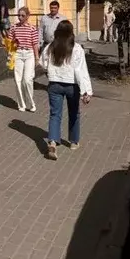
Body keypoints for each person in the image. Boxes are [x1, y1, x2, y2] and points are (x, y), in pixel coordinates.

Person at [39, 20, 92, 160]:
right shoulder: (76, 48)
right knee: (74, 113)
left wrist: (49, 71)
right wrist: (86, 91)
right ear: (71, 33)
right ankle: (74, 142)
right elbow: (81, 71)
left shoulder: (51, 46)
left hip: (54, 84)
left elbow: (42, 63)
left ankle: (52, 141)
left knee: (55, 114)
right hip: (72, 86)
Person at [9, 6, 39, 112]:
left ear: (27, 16)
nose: (20, 17)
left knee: (27, 80)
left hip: (29, 53)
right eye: (19, 15)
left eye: (22, 15)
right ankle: (21, 104)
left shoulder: (32, 28)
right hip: (18, 53)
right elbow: (9, 41)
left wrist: (37, 57)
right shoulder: (14, 27)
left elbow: (35, 43)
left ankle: (31, 104)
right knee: (18, 80)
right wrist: (11, 49)